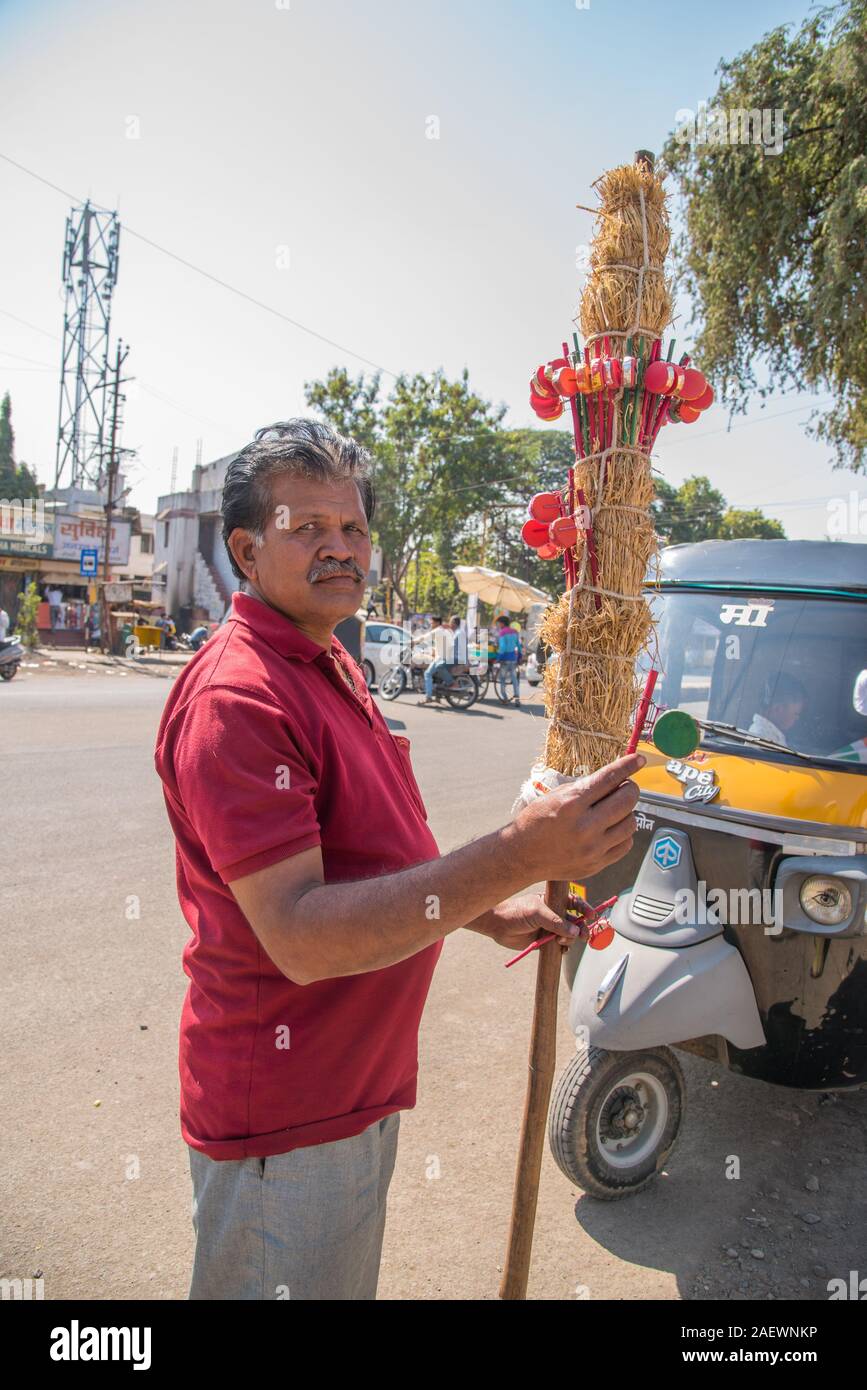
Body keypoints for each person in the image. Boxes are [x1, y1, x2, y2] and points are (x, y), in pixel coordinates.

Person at [153, 417, 642, 1302]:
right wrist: (517, 853)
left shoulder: (326, 661)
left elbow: (373, 856)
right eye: (308, 529)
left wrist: (490, 911)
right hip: (287, 1114)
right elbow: (299, 937)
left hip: (352, 1088)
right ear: (245, 549)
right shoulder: (240, 696)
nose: (342, 549)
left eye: (355, 529)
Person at [748, 673, 807, 746]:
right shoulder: (761, 737)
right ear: (778, 709)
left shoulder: (772, 734)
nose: (797, 718)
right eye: (796, 713)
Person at [495, 612, 523, 704]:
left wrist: (498, 657)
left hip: (505, 660)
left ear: (502, 623)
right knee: (514, 680)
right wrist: (519, 657)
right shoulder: (514, 632)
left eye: (498, 623)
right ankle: (517, 699)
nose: (498, 625)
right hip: (513, 659)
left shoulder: (502, 632)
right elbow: (519, 646)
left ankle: (505, 699)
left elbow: (502, 647)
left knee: (502, 679)